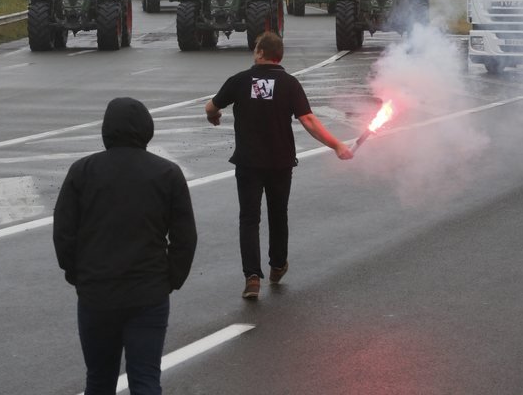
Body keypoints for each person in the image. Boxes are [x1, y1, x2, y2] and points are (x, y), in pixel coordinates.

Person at [54, 97, 197, 395]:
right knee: (145, 378)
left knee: (99, 378)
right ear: (147, 128)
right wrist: (170, 279)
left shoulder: (82, 171)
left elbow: (64, 232)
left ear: (106, 129)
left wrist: (77, 274)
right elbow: (184, 237)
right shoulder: (167, 173)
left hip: (97, 292)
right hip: (148, 291)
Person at [205, 31, 352, 299]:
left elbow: (210, 107)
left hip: (248, 163)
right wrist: (337, 145)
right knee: (277, 213)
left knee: (249, 218)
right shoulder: (289, 84)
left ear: (261, 53)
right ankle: (277, 265)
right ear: (279, 56)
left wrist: (214, 116)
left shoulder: (239, 81)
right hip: (280, 162)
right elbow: (308, 121)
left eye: (256, 49)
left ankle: (251, 277)